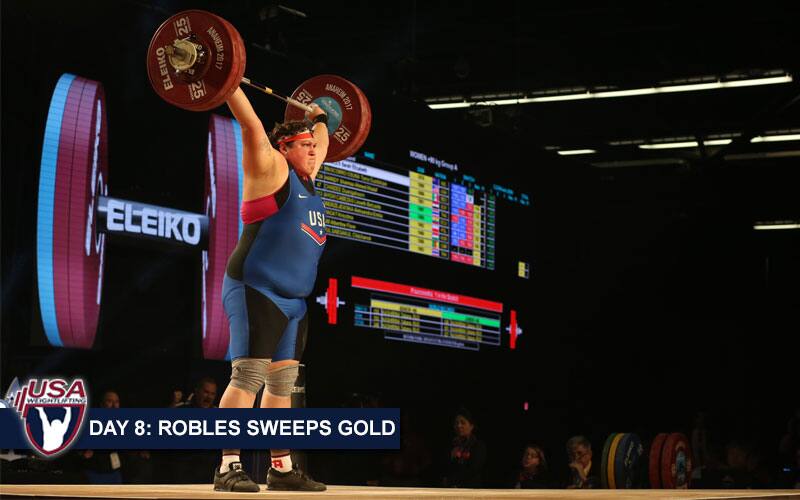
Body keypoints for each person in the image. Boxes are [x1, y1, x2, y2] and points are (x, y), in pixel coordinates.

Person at [213, 85, 329, 493]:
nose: (314, 150)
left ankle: (280, 468)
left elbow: (322, 139)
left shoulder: (308, 177)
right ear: (284, 147)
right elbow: (250, 125)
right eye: (304, 145)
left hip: (294, 302)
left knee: (282, 385)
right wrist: (228, 84)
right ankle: (227, 465)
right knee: (248, 376)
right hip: (255, 289)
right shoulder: (271, 168)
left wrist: (319, 118)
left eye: (314, 145)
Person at [442, 408, 487, 488]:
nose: (459, 426)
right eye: (456, 423)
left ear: (471, 426)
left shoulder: (478, 446)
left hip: (471, 490)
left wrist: (451, 480)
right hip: (451, 489)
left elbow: (473, 470)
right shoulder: (452, 445)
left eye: (463, 423)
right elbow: (445, 467)